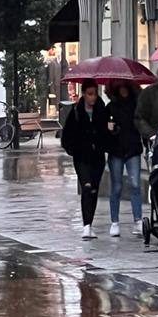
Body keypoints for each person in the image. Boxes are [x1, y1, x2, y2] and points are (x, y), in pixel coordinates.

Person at [60, 79, 109, 239]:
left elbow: (107, 134)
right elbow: (66, 136)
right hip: (82, 157)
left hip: (98, 157)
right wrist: (74, 150)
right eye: (89, 94)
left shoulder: (102, 111)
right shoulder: (76, 111)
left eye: (95, 94)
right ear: (83, 94)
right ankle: (86, 226)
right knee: (86, 187)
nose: (92, 97)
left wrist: (110, 131)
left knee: (93, 189)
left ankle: (90, 222)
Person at [105, 81, 144, 237]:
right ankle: (114, 221)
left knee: (135, 184)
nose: (123, 90)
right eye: (119, 87)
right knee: (116, 186)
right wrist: (110, 130)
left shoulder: (136, 105)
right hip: (116, 151)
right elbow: (106, 130)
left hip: (133, 149)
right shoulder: (111, 108)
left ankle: (138, 220)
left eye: (125, 86)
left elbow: (141, 124)